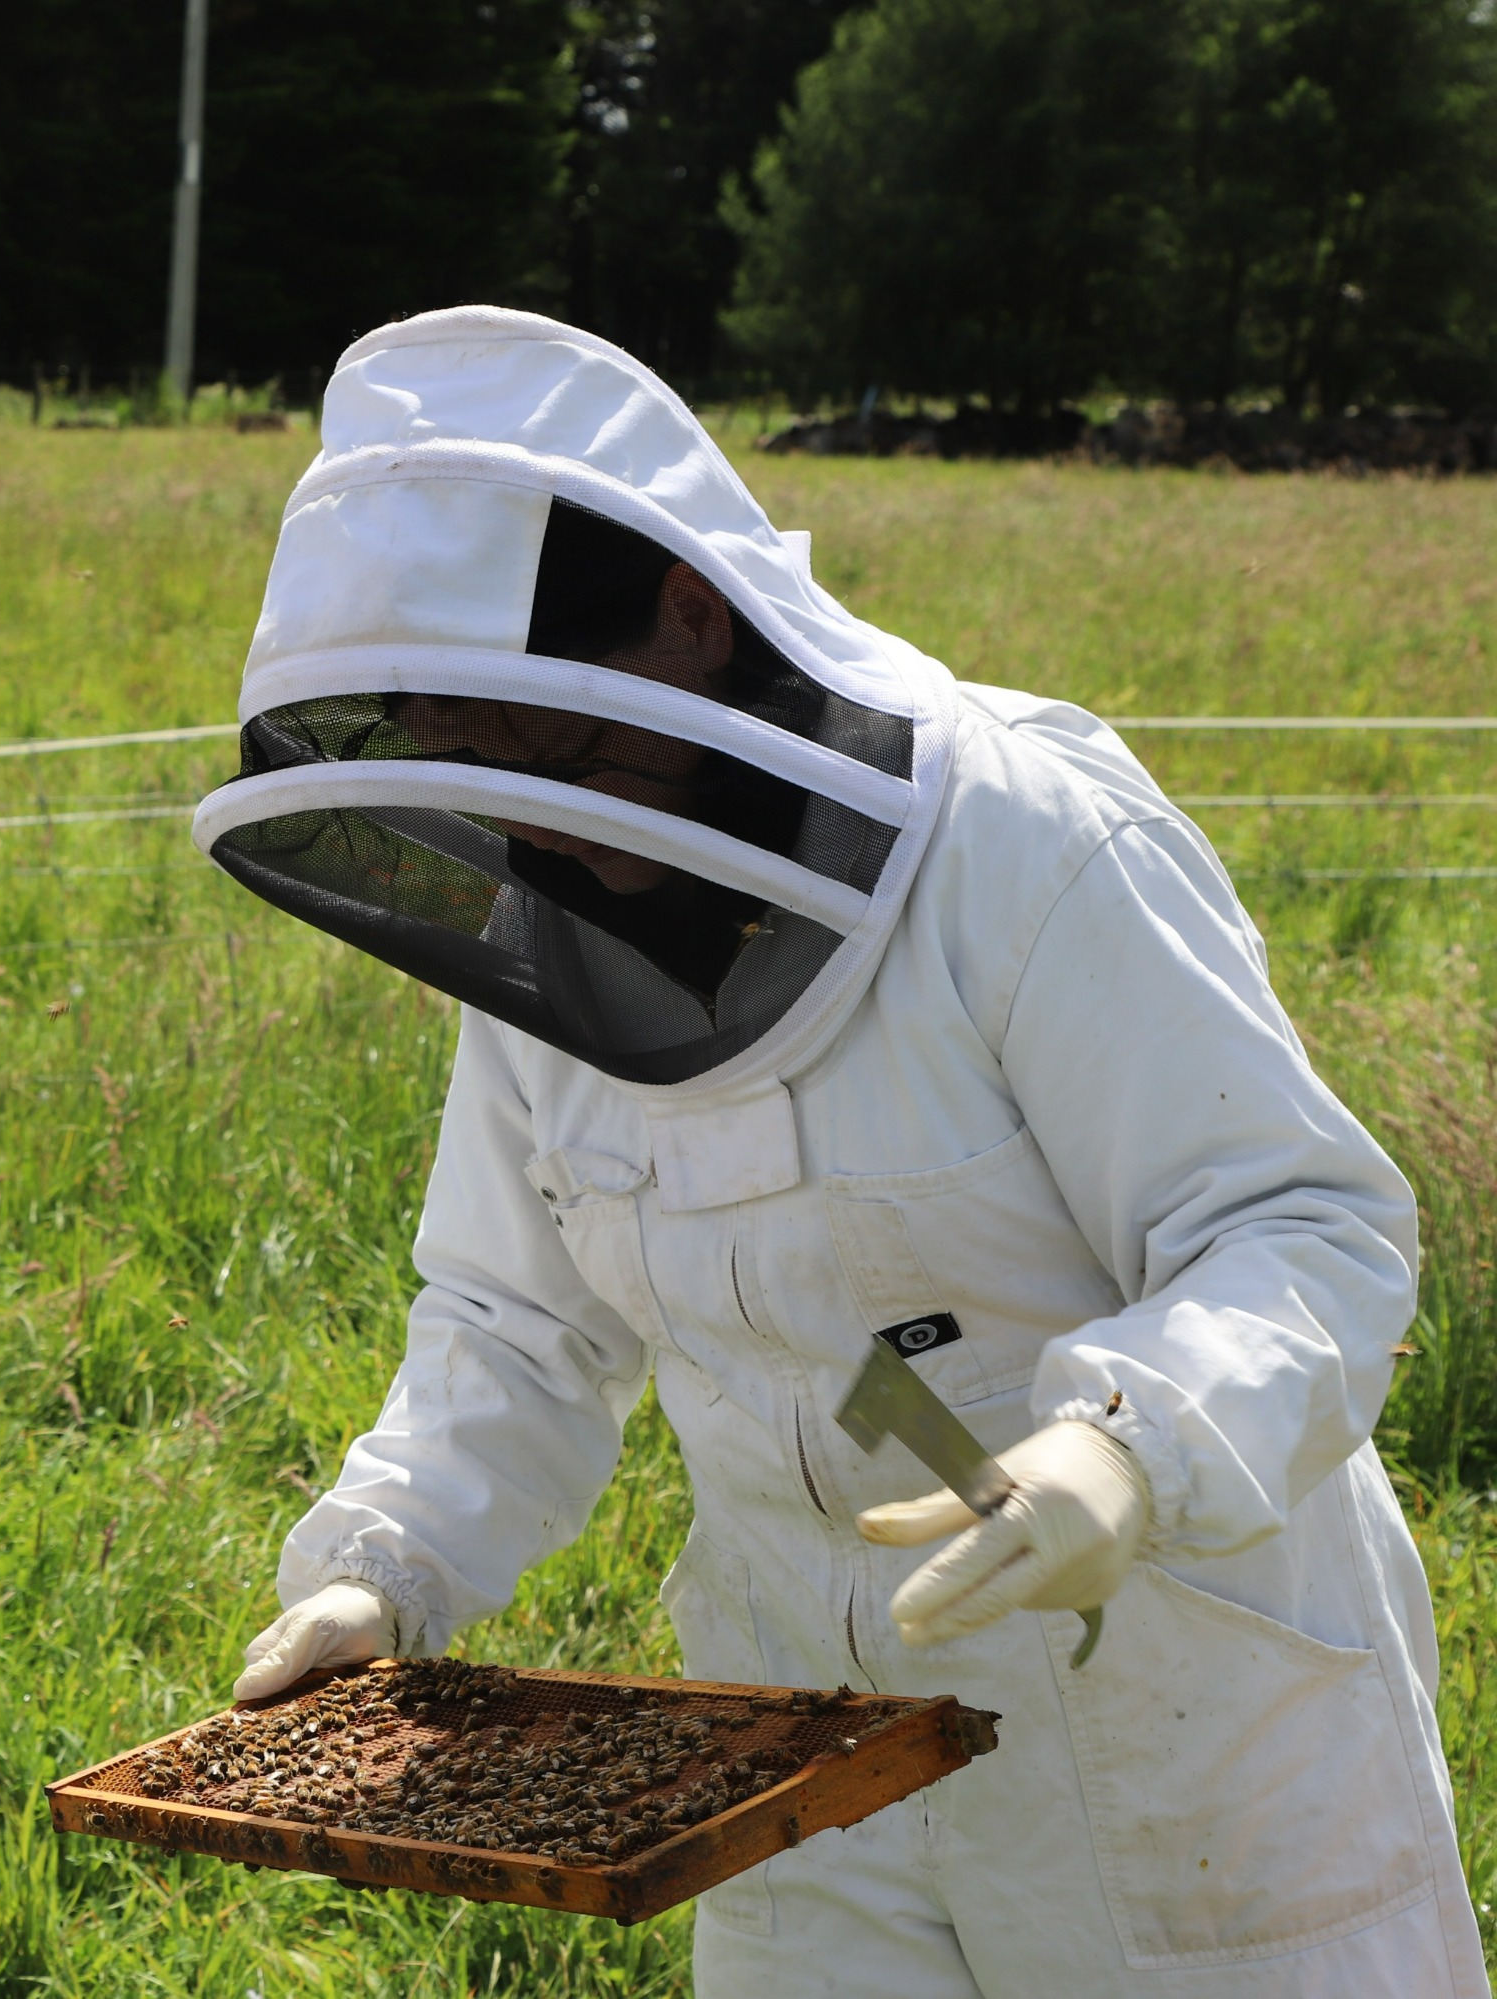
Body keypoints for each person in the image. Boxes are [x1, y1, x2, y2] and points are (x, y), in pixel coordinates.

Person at [201, 307, 1488, 1996]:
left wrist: (1130, 1449)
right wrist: (392, 1565)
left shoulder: (1024, 841)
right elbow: (519, 1322)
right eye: (489, 772)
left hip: (1181, 1732)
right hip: (805, 1748)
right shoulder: (553, 933)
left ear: (696, 611)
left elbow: (1300, 1228)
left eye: (578, 753)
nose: (546, 831)